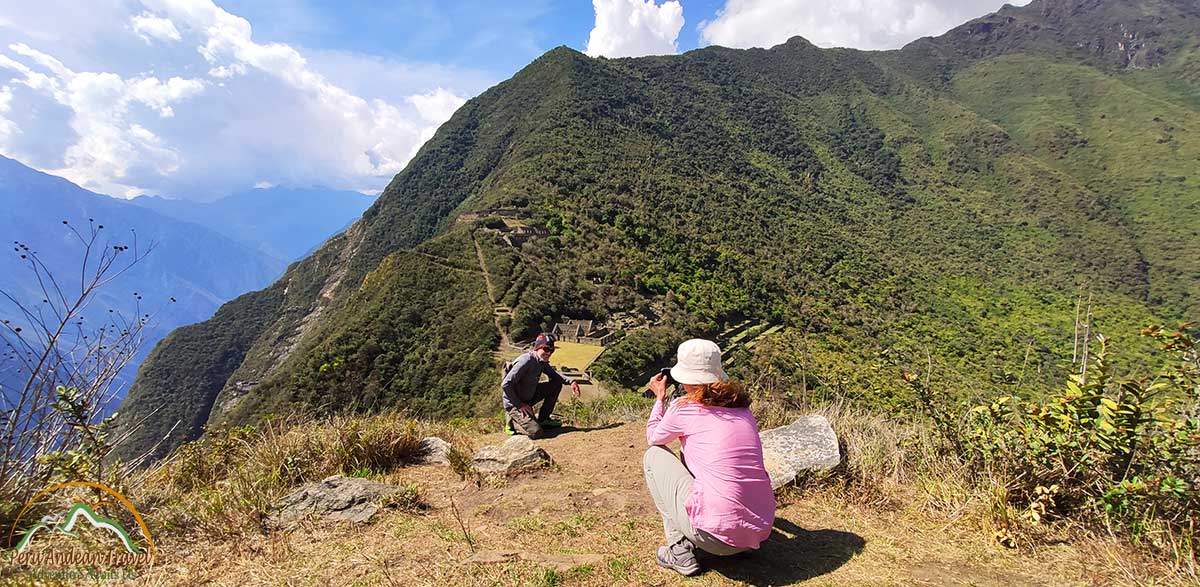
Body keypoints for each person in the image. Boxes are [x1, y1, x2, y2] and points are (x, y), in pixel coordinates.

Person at [643, 338, 775, 576]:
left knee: (653, 456)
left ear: (683, 376)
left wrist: (659, 400)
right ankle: (737, 540)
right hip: (758, 532)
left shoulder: (684, 408)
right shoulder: (743, 411)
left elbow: (654, 437)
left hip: (715, 538)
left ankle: (679, 550)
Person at [501, 333, 581, 438]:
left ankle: (544, 419)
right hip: (515, 403)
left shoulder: (541, 362)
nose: (549, 353)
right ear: (537, 348)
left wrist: (571, 381)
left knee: (556, 384)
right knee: (536, 432)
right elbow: (506, 384)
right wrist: (519, 405)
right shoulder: (526, 361)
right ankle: (512, 422)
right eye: (546, 349)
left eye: (552, 350)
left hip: (529, 396)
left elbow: (554, 374)